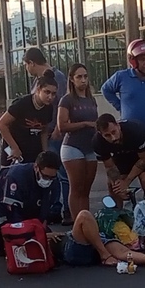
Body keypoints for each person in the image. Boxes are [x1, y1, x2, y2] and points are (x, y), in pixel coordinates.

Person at [0, 150, 61, 254]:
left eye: (52, 177)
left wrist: (41, 233)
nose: (48, 180)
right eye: (45, 177)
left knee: (51, 241)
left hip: (27, 208)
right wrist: (27, 235)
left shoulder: (54, 182)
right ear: (36, 167)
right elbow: (13, 213)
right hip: (3, 208)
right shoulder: (16, 176)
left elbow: (45, 211)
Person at [54, 63, 100, 222]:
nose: (83, 80)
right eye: (79, 77)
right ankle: (77, 223)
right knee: (76, 188)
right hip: (73, 147)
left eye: (85, 76)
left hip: (90, 146)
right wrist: (85, 124)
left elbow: (96, 123)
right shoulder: (67, 100)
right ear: (72, 80)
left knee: (86, 189)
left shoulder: (91, 100)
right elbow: (62, 126)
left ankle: (86, 221)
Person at [61, 206, 145, 270]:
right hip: (72, 247)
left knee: (120, 251)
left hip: (90, 253)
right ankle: (105, 255)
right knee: (84, 215)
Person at [0, 73, 60, 166]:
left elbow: (44, 130)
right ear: (38, 89)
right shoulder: (22, 104)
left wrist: (45, 152)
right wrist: (14, 147)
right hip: (15, 153)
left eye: (53, 94)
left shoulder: (49, 108)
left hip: (33, 154)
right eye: (47, 92)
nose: (50, 97)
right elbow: (2, 124)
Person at [94, 113, 145, 201]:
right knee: (113, 185)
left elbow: (144, 159)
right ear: (101, 134)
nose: (113, 138)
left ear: (118, 126)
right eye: (107, 135)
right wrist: (119, 186)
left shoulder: (135, 131)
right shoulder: (97, 143)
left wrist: (126, 182)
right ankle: (117, 212)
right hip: (122, 151)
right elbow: (110, 167)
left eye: (114, 132)